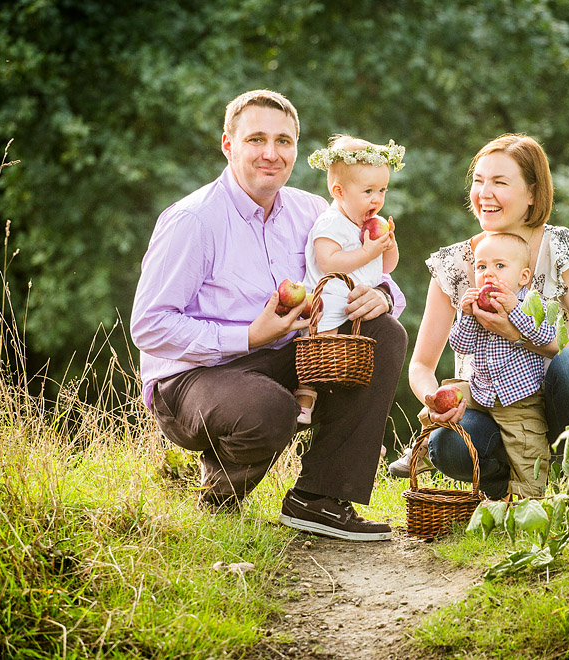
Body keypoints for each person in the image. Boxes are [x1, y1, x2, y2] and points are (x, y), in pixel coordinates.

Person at [131, 90, 407, 541]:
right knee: (269, 408)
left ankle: (319, 497)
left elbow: (351, 267)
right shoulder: (193, 220)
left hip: (290, 359)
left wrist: (380, 295)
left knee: (384, 334)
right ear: (228, 145)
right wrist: (248, 336)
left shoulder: (312, 210)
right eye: (256, 139)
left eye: (284, 141)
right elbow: (149, 326)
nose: (271, 153)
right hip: (193, 380)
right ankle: (219, 498)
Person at [391, 133, 569, 501]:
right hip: (491, 409)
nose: (484, 193)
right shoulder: (455, 262)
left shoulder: (562, 248)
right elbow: (421, 366)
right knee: (446, 444)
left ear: (532, 194)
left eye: (500, 182)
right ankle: (506, 489)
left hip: (553, 404)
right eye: (478, 181)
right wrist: (436, 402)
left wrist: (516, 332)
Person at [293, 135, 404, 425]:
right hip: (329, 299)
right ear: (339, 191)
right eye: (368, 191)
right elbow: (328, 261)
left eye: (382, 190)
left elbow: (387, 267)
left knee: (366, 357)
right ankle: (306, 396)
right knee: (320, 350)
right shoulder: (331, 222)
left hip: (355, 304)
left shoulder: (369, 225)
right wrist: (368, 251)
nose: (377, 199)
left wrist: (387, 245)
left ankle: (359, 423)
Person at [448, 232, 556, 498]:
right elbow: (460, 345)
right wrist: (466, 315)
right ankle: (424, 444)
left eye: (499, 266)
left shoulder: (531, 302)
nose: (489, 274)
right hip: (482, 391)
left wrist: (514, 309)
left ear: (523, 277)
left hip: (518, 401)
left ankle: (526, 500)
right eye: (481, 266)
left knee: (528, 452)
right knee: (447, 399)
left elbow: (546, 336)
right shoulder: (478, 307)